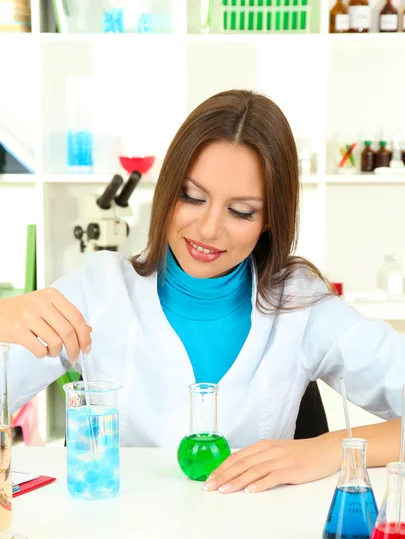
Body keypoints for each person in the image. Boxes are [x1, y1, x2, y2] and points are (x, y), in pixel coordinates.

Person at [0, 90, 402, 494]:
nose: (209, 229)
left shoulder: (300, 306)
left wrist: (330, 449)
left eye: (241, 211)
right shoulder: (98, 290)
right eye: (192, 197)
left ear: (269, 220)